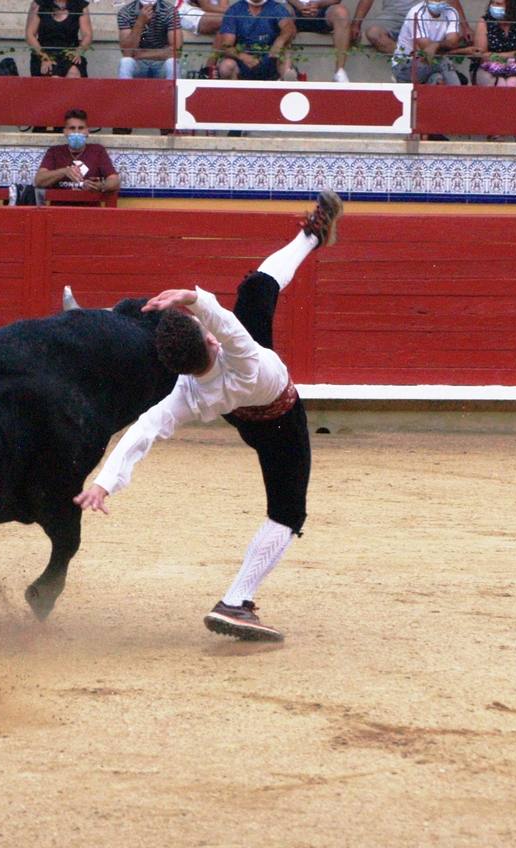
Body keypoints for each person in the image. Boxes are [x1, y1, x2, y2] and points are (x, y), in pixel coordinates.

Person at [74, 191, 344, 643]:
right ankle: (236, 601)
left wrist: (105, 481)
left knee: (256, 289)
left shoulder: (184, 394)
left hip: (239, 412)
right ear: (212, 342)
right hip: (280, 415)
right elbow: (221, 318)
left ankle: (314, 234)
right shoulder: (242, 354)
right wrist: (190, 297)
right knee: (287, 513)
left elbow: (143, 430)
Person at [34, 109, 121, 194]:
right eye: (72, 128)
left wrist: (101, 186)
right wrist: (64, 172)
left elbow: (115, 181)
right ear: (65, 132)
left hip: (89, 207)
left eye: (81, 128)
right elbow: (38, 180)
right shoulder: (54, 152)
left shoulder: (98, 151)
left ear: (87, 132)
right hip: (61, 207)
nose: (76, 132)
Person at [351, 0, 470, 56]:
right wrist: (356, 24)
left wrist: (465, 27)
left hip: (422, 15)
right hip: (392, 16)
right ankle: (412, 59)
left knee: (451, 37)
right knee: (373, 33)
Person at [389, 0, 465, 84]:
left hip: (430, 63)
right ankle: (456, 93)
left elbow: (452, 43)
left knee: (437, 79)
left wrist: (436, 45)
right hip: (405, 65)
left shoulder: (451, 12)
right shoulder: (417, 13)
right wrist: (464, 51)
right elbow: (427, 51)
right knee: (444, 63)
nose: (438, 2)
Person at [216, 0, 295, 80]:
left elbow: (289, 29)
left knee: (285, 50)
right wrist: (243, 57)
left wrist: (280, 41)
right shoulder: (234, 10)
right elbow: (227, 46)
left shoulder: (277, 8)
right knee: (226, 66)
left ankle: (285, 82)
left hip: (271, 58)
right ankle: (235, 91)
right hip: (242, 63)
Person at [284, 0, 353, 81]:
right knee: (282, 13)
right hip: (294, 9)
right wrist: (299, 5)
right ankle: (286, 71)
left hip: (324, 10)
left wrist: (319, 4)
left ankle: (339, 73)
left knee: (341, 13)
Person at [471, 0, 516, 90]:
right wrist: (512, 55)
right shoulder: (484, 21)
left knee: (513, 83)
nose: (494, 6)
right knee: (500, 84)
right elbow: (481, 53)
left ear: (510, 6)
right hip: (487, 68)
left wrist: (498, 56)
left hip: (513, 68)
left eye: (498, 4)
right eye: (493, 3)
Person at [116, 0, 183, 80]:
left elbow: (177, 51)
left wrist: (142, 54)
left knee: (172, 63)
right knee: (126, 62)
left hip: (161, 62)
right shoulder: (125, 12)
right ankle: (124, 92)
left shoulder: (170, 11)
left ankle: (172, 92)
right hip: (139, 64)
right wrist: (140, 22)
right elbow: (127, 52)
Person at [26, 0, 93, 78]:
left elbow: (87, 35)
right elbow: (30, 35)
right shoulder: (38, 4)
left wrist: (78, 51)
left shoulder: (80, 5)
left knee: (74, 74)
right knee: (54, 77)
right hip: (45, 53)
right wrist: (43, 56)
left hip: (70, 53)